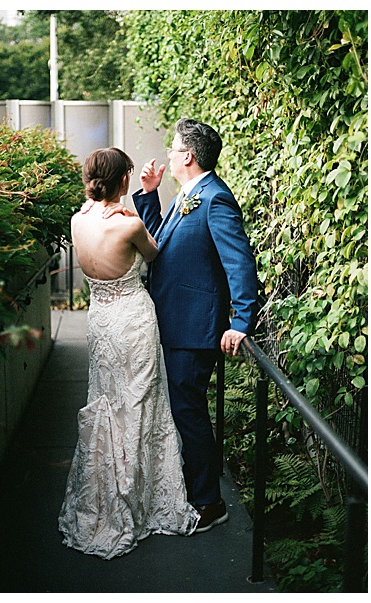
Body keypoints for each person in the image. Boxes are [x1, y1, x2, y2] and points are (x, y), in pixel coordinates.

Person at [91, 118, 261, 532]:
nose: (167, 152)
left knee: (189, 413)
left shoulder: (216, 199)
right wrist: (149, 196)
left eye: (173, 147)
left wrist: (241, 321)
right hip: (174, 320)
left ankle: (209, 502)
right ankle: (193, 487)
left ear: (188, 155)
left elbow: (239, 264)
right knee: (184, 410)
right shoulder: (191, 194)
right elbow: (162, 244)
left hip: (194, 327)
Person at [59, 148, 200, 559]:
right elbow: (155, 254)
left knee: (106, 401)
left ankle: (103, 494)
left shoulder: (76, 220)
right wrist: (147, 198)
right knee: (140, 403)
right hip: (134, 321)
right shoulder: (129, 226)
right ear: (124, 180)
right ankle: (137, 499)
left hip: (100, 321)